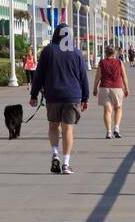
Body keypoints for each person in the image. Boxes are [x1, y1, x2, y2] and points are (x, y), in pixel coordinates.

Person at [29, 22, 90, 175]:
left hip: (53, 95)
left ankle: (55, 153)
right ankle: (66, 163)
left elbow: (39, 75)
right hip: (72, 96)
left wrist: (34, 94)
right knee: (67, 129)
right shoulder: (76, 53)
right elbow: (83, 77)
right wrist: (85, 98)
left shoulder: (48, 51)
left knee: (53, 126)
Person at [92, 45, 130, 138]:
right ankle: (116, 128)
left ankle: (109, 131)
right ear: (114, 53)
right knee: (118, 108)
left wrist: (94, 88)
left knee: (107, 111)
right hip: (117, 88)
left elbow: (98, 76)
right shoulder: (119, 62)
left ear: (105, 52)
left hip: (104, 88)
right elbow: (124, 76)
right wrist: (126, 88)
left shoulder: (102, 62)